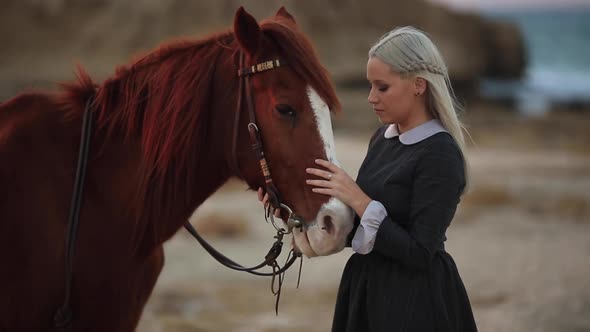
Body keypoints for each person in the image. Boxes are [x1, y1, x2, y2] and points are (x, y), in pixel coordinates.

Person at [303, 26, 477, 331]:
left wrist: (357, 198)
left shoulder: (440, 153)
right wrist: (299, 213)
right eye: (370, 86)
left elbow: (420, 253)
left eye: (382, 87)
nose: (371, 97)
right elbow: (362, 231)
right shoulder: (381, 138)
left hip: (415, 303)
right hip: (364, 292)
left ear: (418, 85)